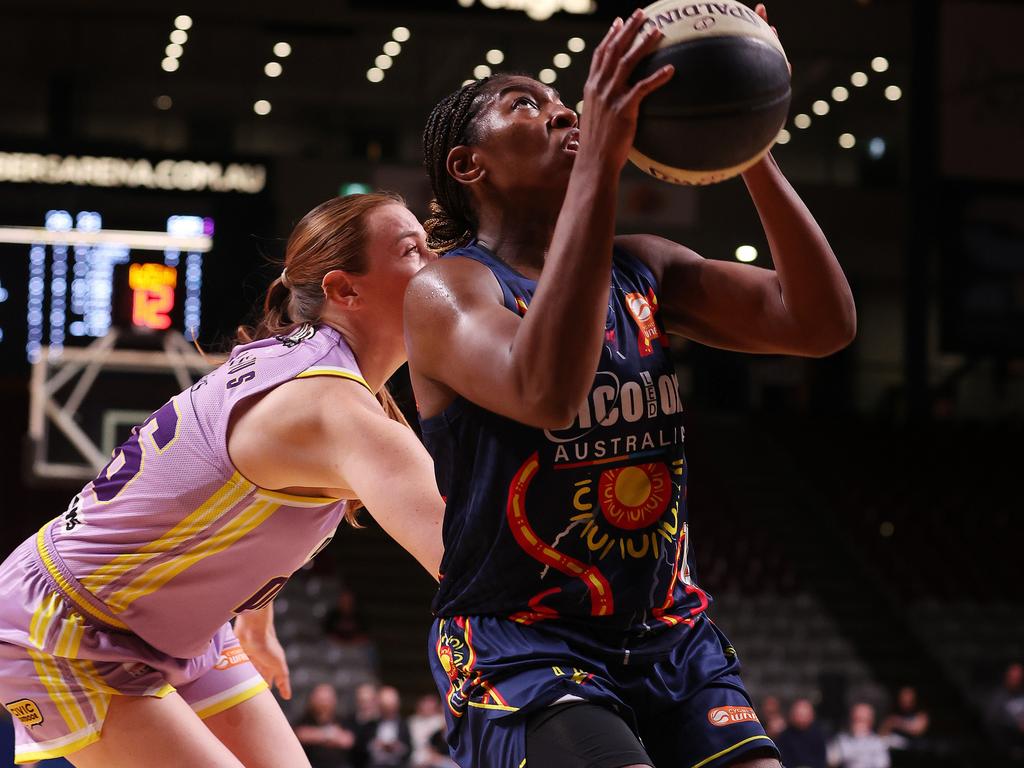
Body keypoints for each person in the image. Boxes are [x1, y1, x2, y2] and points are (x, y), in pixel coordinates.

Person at [404, 6, 855, 768]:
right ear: (467, 166)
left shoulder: (643, 265)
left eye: (559, 99)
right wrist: (600, 169)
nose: (562, 111)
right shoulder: (450, 292)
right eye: (524, 104)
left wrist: (748, 144)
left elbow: (819, 324)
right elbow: (545, 390)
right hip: (524, 641)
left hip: (671, 633)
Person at [0, 192, 444, 767]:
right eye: (412, 249)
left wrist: (256, 623)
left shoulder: (300, 366)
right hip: (69, 625)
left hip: (177, 625)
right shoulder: (336, 411)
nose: (435, 263)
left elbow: (252, 501)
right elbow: (470, 562)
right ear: (345, 289)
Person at [295, 683, 357, 768]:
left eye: (327, 700)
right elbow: (301, 735)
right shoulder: (304, 719)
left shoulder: (342, 719)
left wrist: (316, 735)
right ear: (312, 700)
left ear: (334, 700)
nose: (324, 704)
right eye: (320, 699)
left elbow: (347, 741)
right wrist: (331, 734)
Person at [827, 703, 890, 768]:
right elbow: (831, 761)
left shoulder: (877, 742)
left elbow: (882, 764)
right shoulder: (840, 738)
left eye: (862, 720)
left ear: (870, 721)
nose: (858, 723)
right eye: (856, 719)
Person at [366, 686, 412, 768]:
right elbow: (362, 748)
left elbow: (409, 749)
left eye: (390, 707)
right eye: (385, 707)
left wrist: (397, 747)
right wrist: (376, 745)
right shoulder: (371, 725)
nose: (388, 711)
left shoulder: (403, 724)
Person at [776, 698, 827, 768]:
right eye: (799, 714)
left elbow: (821, 761)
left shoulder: (818, 736)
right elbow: (782, 760)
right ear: (792, 715)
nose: (801, 718)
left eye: (804, 714)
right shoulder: (784, 737)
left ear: (811, 716)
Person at [878, 686, 928, 752]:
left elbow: (918, 729)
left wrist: (898, 722)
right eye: (903, 697)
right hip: (896, 749)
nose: (906, 700)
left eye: (909, 698)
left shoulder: (921, 713)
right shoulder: (893, 712)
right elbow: (882, 734)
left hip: (915, 748)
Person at [407, 694, 445, 768]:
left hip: (435, 759)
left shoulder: (440, 721)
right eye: (425, 705)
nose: (427, 708)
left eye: (430, 705)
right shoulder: (412, 721)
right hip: (414, 758)